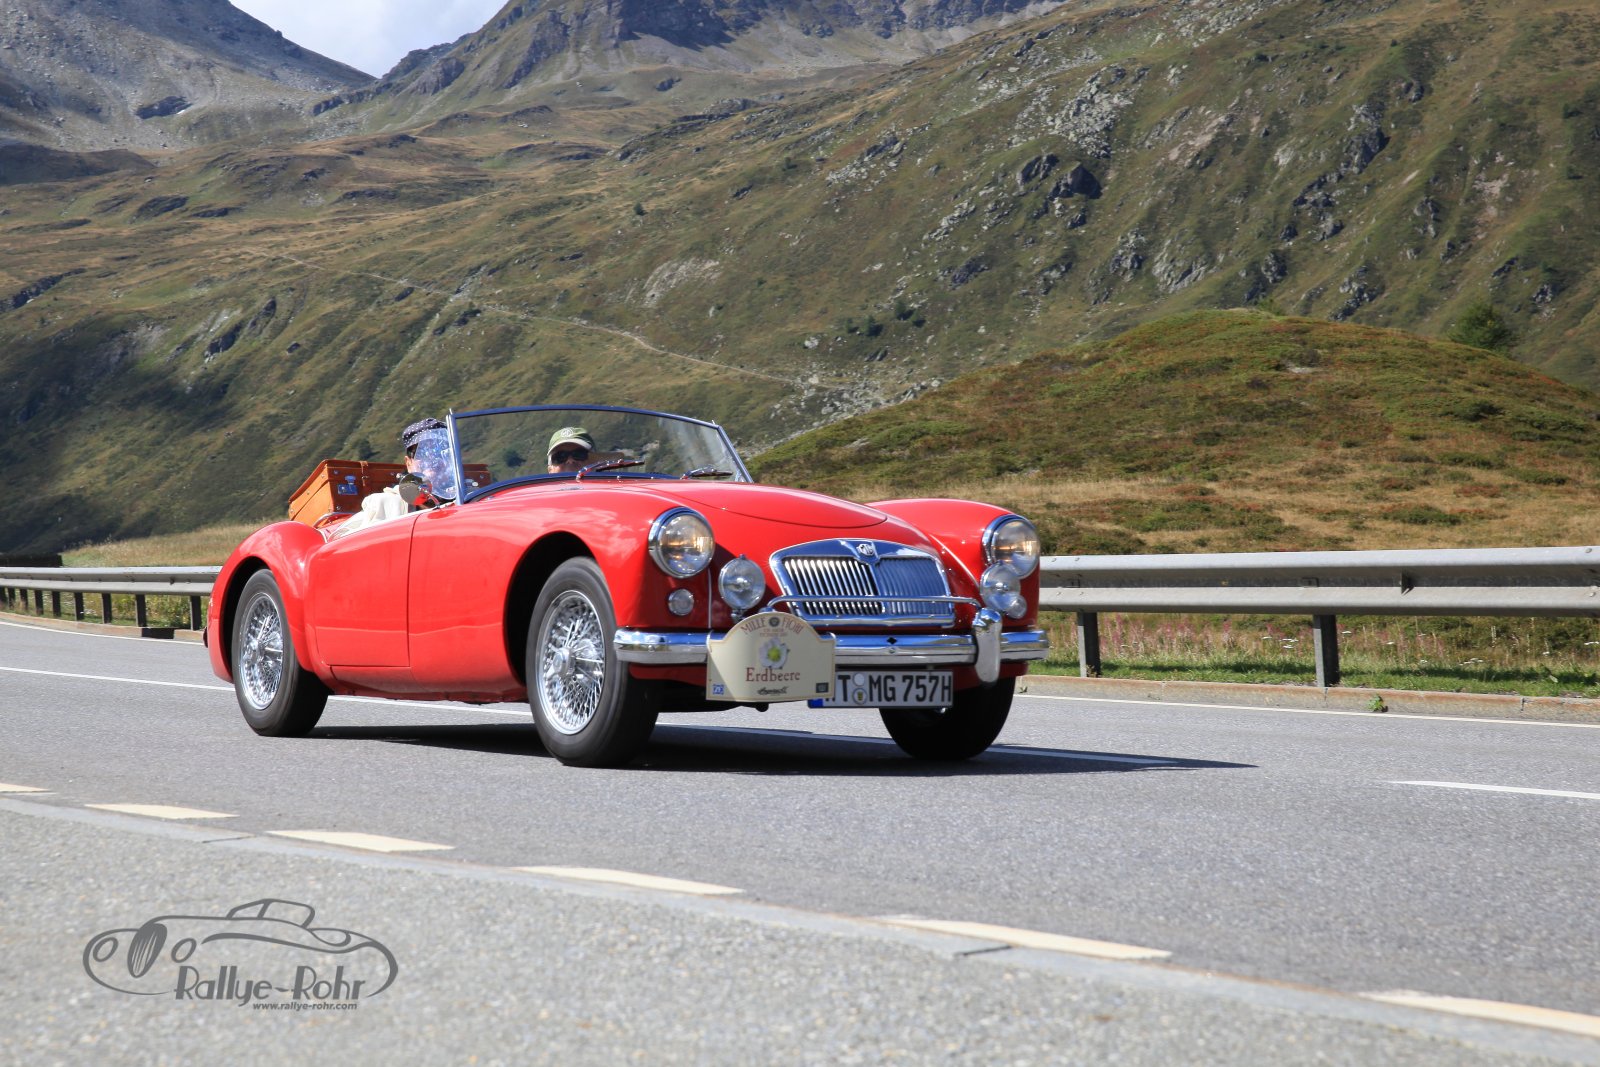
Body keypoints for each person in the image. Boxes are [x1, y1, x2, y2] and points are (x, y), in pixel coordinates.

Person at [332, 417, 447, 538]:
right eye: (422, 452)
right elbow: (342, 539)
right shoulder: (383, 506)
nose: (432, 459)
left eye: (439, 451)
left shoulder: (461, 502)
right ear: (409, 463)